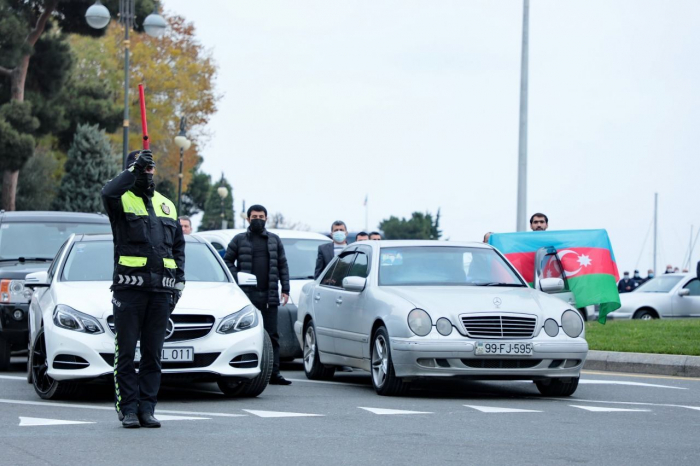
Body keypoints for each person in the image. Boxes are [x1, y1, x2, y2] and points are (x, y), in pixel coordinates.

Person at [101, 149, 185, 429]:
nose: (148, 174)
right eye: (142, 169)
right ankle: (127, 409)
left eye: (150, 170)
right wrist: (133, 169)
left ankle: (147, 408)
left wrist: (179, 283)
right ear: (132, 170)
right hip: (129, 290)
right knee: (125, 352)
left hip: (161, 292)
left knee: (153, 354)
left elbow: (178, 249)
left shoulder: (167, 205)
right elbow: (107, 191)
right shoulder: (120, 199)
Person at [223, 204, 291, 386]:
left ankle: (274, 373)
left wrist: (286, 288)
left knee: (272, 335)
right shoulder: (238, 240)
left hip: (269, 295)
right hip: (246, 296)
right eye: (254, 216)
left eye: (261, 216)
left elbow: (283, 265)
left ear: (266, 218)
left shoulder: (274, 240)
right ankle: (241, 373)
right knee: (244, 335)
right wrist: (237, 276)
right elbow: (227, 261)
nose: (258, 219)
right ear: (248, 219)